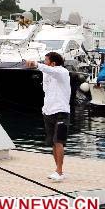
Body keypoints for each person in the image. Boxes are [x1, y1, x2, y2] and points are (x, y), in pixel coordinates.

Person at [26, 52, 71, 182]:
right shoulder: (47, 73)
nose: (44, 62)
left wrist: (36, 64)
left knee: (59, 141)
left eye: (46, 60)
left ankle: (59, 171)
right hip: (48, 112)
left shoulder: (62, 72)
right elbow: (48, 91)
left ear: (53, 63)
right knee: (52, 142)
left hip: (61, 111)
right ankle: (58, 170)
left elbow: (48, 69)